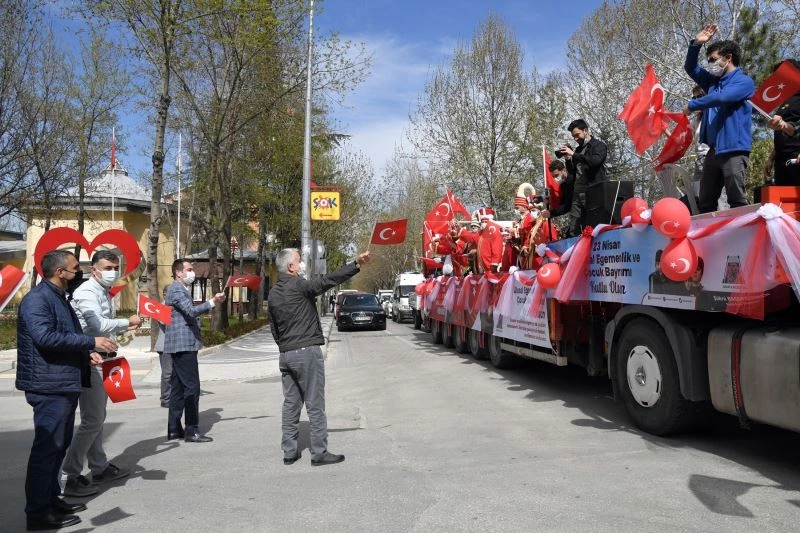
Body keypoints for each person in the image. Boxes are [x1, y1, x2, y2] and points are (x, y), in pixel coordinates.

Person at [16, 250, 117, 531]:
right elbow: (45, 337)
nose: (79, 273)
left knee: (58, 448)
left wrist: (86, 355)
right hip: (48, 385)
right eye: (75, 269)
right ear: (60, 272)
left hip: (62, 381)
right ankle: (37, 513)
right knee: (46, 450)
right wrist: (90, 342)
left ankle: (52, 500)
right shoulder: (38, 300)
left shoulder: (57, 297)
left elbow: (61, 336)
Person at [268, 248, 371, 466]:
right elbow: (328, 280)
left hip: (286, 354)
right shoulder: (300, 286)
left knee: (290, 404)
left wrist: (285, 347)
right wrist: (354, 264)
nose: (302, 263)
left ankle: (289, 451)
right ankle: (319, 452)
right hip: (306, 352)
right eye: (299, 260)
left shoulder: (274, 293)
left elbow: (273, 327)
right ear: (291, 267)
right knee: (315, 404)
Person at [62, 251, 140, 497]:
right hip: (90, 360)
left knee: (96, 418)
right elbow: (96, 325)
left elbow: (102, 324)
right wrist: (126, 322)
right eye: (107, 267)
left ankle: (99, 467)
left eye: (116, 267)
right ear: (94, 269)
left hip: (102, 359)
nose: (112, 272)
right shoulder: (87, 292)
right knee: (92, 420)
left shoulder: (101, 292)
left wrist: (121, 333)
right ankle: (70, 474)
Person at [683, 24, 754, 213]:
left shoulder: (744, 82)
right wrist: (696, 44)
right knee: (705, 201)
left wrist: (693, 105)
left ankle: (744, 238)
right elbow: (690, 67)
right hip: (714, 150)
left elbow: (722, 98)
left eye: (713, 59)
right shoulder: (713, 81)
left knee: (736, 198)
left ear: (728, 57)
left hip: (734, 148)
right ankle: (709, 239)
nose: (710, 65)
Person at [164, 259, 226, 443]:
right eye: (189, 269)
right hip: (183, 345)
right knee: (192, 387)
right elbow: (190, 311)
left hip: (181, 344)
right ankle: (192, 430)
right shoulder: (176, 289)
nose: (193, 272)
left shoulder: (180, 289)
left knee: (178, 388)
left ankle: (174, 428)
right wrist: (212, 302)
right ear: (179, 273)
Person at [556, 119, 608, 235]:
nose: (575, 138)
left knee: (592, 226)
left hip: (593, 192)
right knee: (574, 227)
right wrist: (568, 159)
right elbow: (573, 172)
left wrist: (574, 154)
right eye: (573, 136)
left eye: (577, 135)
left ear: (585, 130)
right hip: (577, 193)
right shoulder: (578, 150)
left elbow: (595, 162)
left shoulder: (598, 145)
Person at [765, 60, 800, 186]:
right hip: (782, 161)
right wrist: (771, 158)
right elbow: (781, 130)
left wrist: (785, 125)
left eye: (781, 74)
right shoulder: (785, 102)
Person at [155, 286, 171, 408]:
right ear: (165, 294)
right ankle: (165, 398)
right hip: (165, 346)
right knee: (167, 373)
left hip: (173, 345)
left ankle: (172, 395)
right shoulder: (161, 307)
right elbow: (166, 323)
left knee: (173, 373)